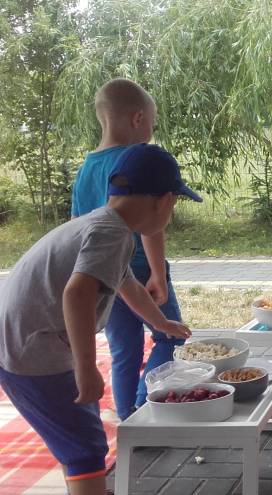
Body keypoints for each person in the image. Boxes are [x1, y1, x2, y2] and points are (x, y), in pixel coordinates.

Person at [0, 144, 200, 495]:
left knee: (74, 428)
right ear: (163, 201)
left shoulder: (105, 224)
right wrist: (86, 367)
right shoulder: (112, 233)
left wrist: (161, 322)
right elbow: (77, 294)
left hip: (25, 341)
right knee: (85, 444)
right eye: (175, 202)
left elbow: (128, 284)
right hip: (34, 349)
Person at [71, 78, 187, 420]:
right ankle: (144, 405)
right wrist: (157, 274)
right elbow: (150, 225)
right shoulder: (135, 159)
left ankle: (126, 417)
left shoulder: (86, 167)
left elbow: (77, 224)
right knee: (169, 336)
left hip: (102, 273)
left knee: (124, 348)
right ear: (138, 119)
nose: (151, 129)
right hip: (138, 267)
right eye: (152, 122)